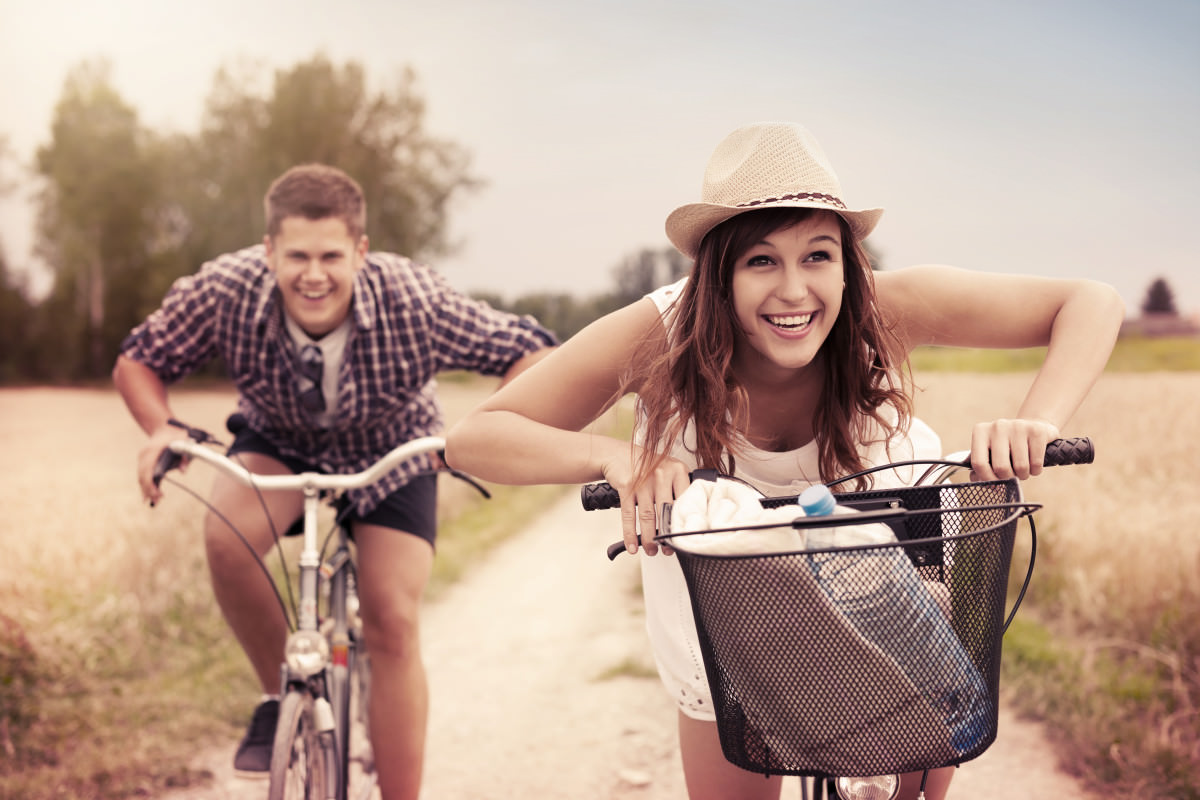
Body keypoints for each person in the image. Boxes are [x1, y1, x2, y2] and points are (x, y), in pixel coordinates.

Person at [443, 122, 1124, 800]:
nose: (795, 290)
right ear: (719, 274)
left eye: (817, 256)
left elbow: (1090, 301)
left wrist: (1037, 421)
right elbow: (475, 439)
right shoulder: (661, 336)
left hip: (884, 597)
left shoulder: (880, 309)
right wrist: (616, 457)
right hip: (725, 628)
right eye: (761, 261)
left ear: (846, 262)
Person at [113, 163, 556, 800]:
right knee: (225, 543)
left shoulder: (413, 297)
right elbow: (140, 358)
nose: (313, 275)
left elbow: (533, 353)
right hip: (281, 445)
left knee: (391, 620)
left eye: (330, 255)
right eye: (296, 255)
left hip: (397, 454)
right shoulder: (227, 290)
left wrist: (475, 435)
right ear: (268, 251)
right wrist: (160, 428)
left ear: (360, 251)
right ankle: (276, 694)